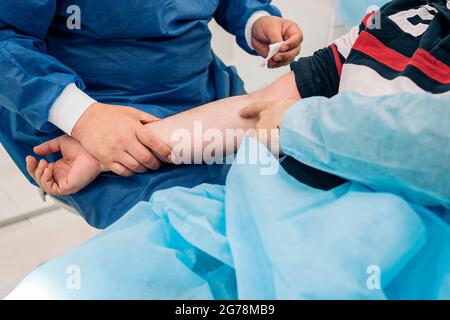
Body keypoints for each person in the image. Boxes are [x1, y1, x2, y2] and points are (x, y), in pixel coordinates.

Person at [9, 0, 450, 299]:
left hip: (367, 249)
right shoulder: (395, 22)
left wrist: (253, 18)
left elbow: (277, 116)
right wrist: (90, 125)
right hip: (105, 110)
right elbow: (260, 112)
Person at [0, 0, 302, 228]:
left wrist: (253, 20)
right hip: (84, 107)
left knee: (277, 203)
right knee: (187, 233)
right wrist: (82, 117)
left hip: (200, 90)